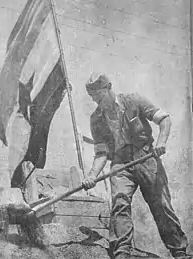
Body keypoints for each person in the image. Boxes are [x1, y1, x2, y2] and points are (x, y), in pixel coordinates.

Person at [82, 72, 191, 259]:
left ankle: (180, 252)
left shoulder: (133, 100)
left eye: (98, 95)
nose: (96, 100)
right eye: (92, 97)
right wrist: (92, 175)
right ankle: (121, 252)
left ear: (108, 88)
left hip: (146, 158)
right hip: (120, 164)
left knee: (161, 206)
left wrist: (161, 142)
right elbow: (101, 153)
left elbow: (164, 119)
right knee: (119, 203)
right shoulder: (96, 119)